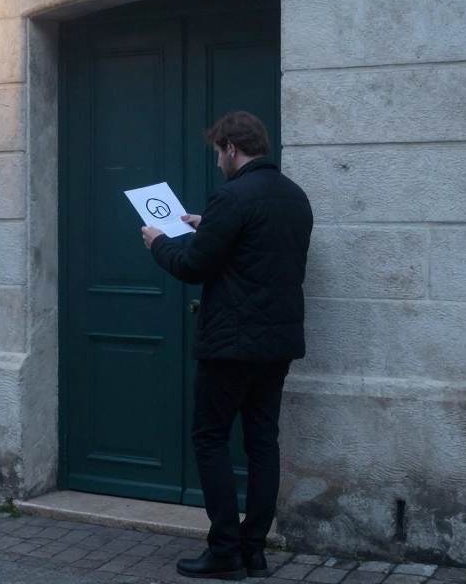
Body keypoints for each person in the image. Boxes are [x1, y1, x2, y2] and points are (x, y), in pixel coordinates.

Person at [142, 111, 313, 581]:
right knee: (262, 442)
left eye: (219, 152)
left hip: (231, 346)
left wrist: (158, 242)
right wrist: (207, 225)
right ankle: (253, 549)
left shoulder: (232, 196)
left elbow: (194, 267)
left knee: (210, 437)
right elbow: (254, 253)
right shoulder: (295, 197)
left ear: (231, 149)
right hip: (277, 345)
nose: (218, 162)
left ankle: (224, 551)